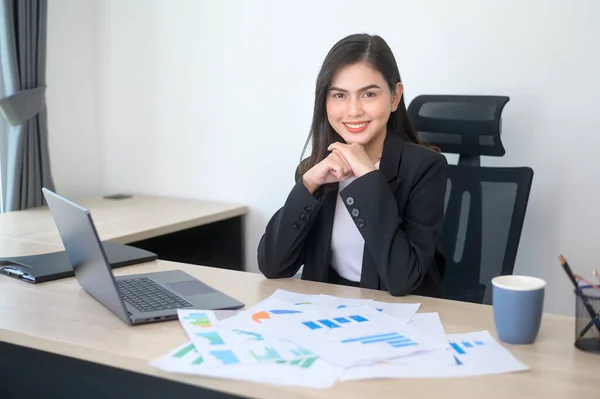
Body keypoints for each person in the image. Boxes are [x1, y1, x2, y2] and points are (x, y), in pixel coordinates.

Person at [257, 33, 448, 297]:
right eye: (339, 95)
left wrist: (369, 178)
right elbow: (273, 266)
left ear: (395, 97)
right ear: (324, 101)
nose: (353, 110)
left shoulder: (425, 168)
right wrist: (308, 184)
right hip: (330, 315)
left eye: (368, 94)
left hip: (400, 318)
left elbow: (403, 279)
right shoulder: (317, 169)